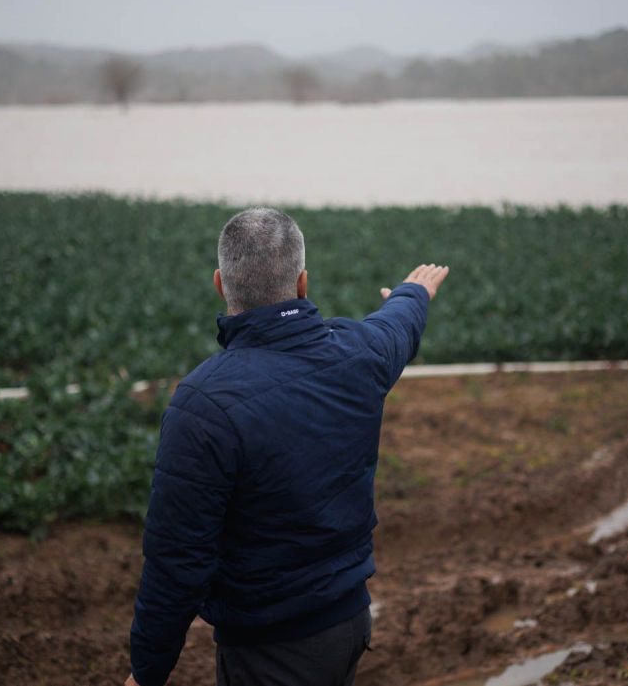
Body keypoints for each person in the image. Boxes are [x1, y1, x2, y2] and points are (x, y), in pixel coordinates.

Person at [126, 207, 449, 686]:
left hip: (269, 651)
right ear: (302, 283)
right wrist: (414, 293)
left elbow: (178, 561)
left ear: (220, 284)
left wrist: (146, 672)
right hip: (350, 625)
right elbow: (397, 327)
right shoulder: (358, 353)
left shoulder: (203, 403)